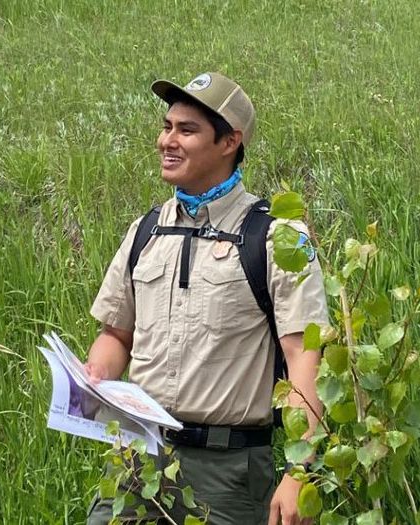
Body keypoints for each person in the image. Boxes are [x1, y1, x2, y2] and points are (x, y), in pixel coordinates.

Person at [85, 72, 329, 525]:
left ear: (229, 142)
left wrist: (299, 471)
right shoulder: (146, 231)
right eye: (166, 127)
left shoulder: (276, 236)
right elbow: (116, 334)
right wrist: (93, 376)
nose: (166, 140)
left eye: (187, 130)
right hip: (138, 460)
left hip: (229, 475)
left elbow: (304, 356)